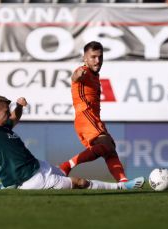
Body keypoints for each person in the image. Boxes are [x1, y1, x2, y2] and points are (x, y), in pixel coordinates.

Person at [0, 76, 145, 190]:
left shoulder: (4, 127)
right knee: (79, 183)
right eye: (6, 110)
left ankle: (7, 184)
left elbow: (15, 117)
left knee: (63, 170)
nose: (9, 113)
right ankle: (121, 187)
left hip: (38, 166)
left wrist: (18, 106)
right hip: (32, 179)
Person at [59, 41, 129, 182]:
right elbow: (75, 77)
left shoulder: (95, 76)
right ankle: (65, 166)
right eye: (93, 57)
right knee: (106, 145)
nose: (98, 61)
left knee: (109, 148)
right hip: (85, 116)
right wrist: (78, 74)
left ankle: (123, 181)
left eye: (100, 57)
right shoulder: (82, 71)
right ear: (85, 58)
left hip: (92, 118)